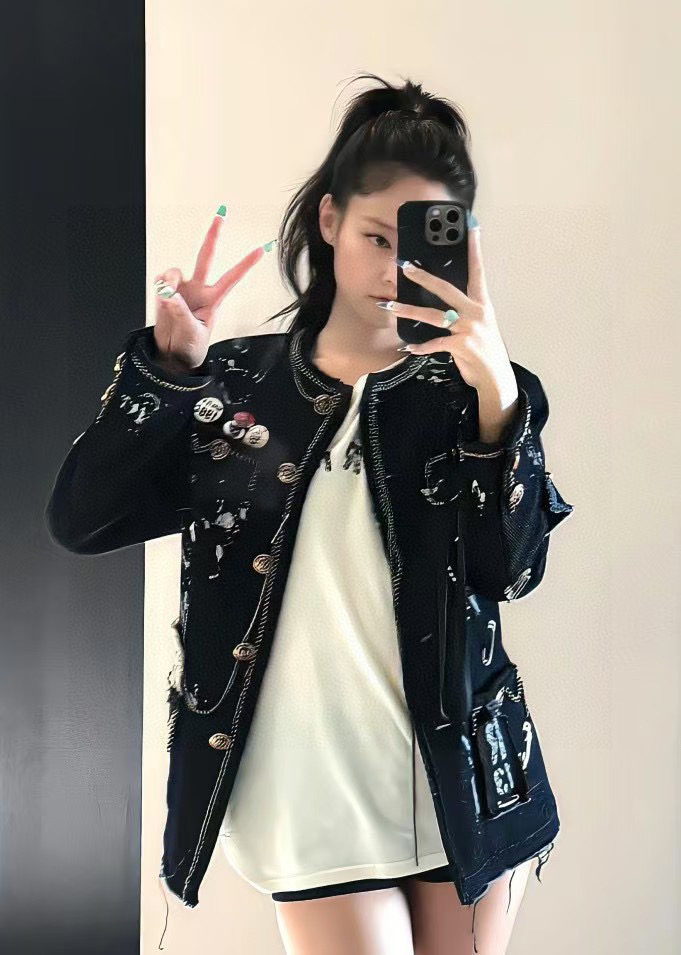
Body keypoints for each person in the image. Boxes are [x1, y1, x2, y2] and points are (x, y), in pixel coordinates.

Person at [46, 72, 574, 955]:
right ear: (329, 220)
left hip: (459, 785)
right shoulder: (233, 386)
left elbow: (509, 570)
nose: (394, 269)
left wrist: (494, 392)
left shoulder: (481, 394)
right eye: (375, 236)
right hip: (306, 795)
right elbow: (83, 519)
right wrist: (167, 374)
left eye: (420, 242)